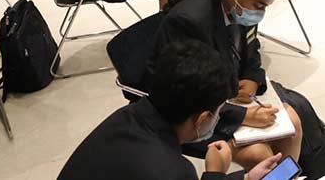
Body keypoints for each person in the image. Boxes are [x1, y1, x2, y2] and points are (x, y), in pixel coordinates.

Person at [147, 0, 305, 172]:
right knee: (259, 154)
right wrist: (242, 116)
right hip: (193, 114)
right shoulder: (189, 22)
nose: (260, 13)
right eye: (260, 5)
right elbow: (184, 93)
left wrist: (251, 76)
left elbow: (251, 48)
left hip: (226, 97)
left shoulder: (240, 6)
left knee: (293, 124)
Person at [58, 39, 283, 180]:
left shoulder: (124, 118)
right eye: (218, 110)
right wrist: (214, 173)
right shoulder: (172, 169)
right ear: (203, 118)